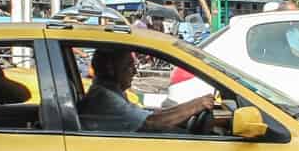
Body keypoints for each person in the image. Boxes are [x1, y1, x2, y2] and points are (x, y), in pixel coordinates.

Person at [80, 46, 214, 133]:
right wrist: (197, 105)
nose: (135, 71)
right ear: (110, 69)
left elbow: (149, 115)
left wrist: (190, 107)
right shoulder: (105, 98)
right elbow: (151, 122)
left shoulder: (110, 92)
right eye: (129, 66)